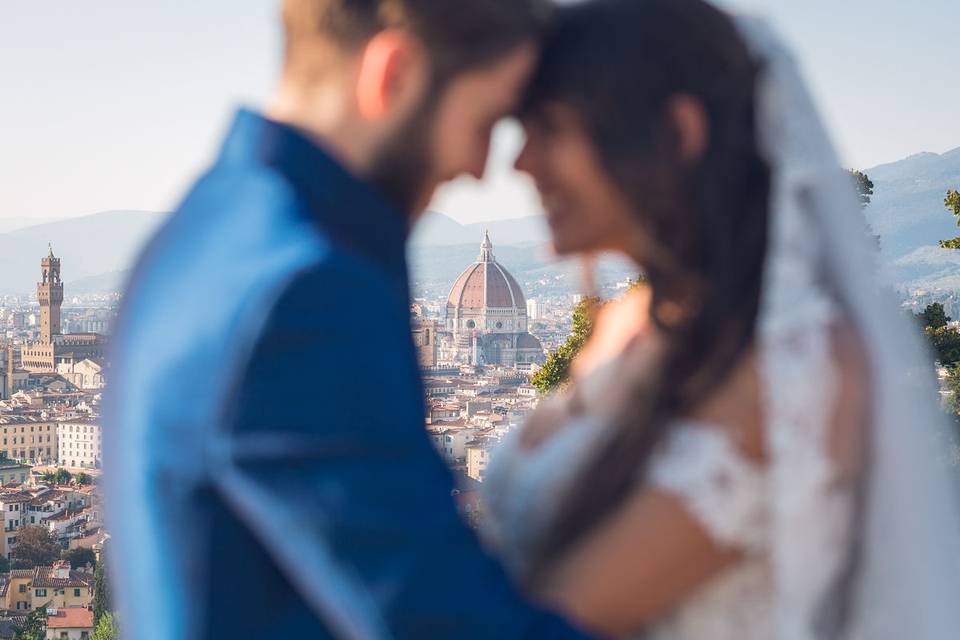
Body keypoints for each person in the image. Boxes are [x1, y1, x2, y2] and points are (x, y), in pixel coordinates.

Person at [103, 2, 599, 639]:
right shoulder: (304, 288)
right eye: (486, 121)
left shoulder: (205, 230)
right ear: (392, 73)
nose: (481, 167)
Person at [482, 1, 960, 638]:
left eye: (551, 129)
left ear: (677, 132)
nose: (521, 164)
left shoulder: (793, 369)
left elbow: (547, 617)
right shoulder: (625, 325)